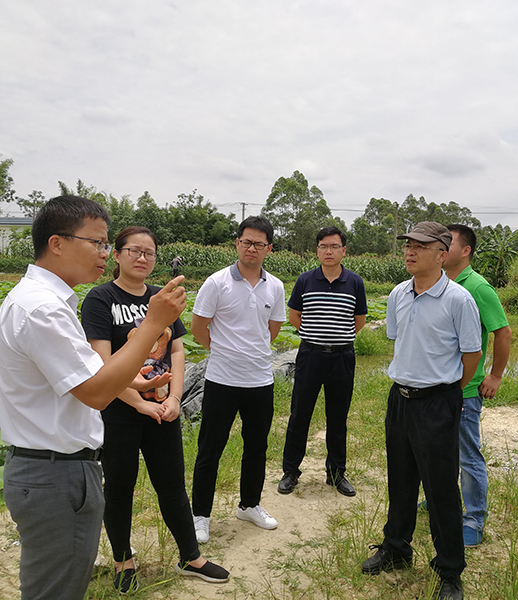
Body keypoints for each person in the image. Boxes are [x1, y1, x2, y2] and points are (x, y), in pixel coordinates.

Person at [0, 196, 186, 600]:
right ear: (57, 243)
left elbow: (97, 378)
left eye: (104, 244)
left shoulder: (48, 302)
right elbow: (98, 391)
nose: (103, 254)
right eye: (97, 243)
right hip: (52, 474)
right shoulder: (42, 309)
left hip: (57, 470)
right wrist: (152, 324)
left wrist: (142, 360)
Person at [81, 227, 230, 593]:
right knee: (120, 486)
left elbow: (177, 350)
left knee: (172, 484)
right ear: (116, 255)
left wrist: (175, 399)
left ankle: (191, 556)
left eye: (149, 252)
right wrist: (140, 403)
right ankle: (123, 561)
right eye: (134, 250)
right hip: (119, 409)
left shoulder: (159, 297)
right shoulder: (101, 299)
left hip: (163, 407)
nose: (142, 258)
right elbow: (102, 366)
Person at [362, 222, 482, 600]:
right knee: (400, 479)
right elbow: (401, 343)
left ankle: (449, 569)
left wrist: (446, 392)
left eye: (420, 246)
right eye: (408, 245)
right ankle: (396, 548)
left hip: (438, 401)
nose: (410, 251)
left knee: (441, 487)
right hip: (400, 398)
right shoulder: (398, 294)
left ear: (442, 255)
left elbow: (472, 355)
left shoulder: (459, 300)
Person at [190, 215, 286, 543]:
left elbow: (271, 331)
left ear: (269, 249)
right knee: (210, 449)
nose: (252, 248)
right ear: (237, 243)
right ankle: (200, 514)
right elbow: (198, 328)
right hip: (222, 380)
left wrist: (251, 352)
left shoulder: (275, 286)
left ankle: (249, 505)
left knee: (256, 447)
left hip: (260, 380)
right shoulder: (217, 283)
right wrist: (226, 352)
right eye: (246, 242)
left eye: (259, 244)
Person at [278, 226, 367, 497]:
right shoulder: (305, 280)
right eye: (323, 246)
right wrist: (315, 335)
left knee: (338, 417)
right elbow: (294, 316)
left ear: (343, 250)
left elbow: (359, 320)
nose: (329, 251)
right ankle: (291, 471)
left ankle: (336, 473)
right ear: (317, 250)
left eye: (334, 246)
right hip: (310, 356)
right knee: (299, 414)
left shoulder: (355, 282)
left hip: (341, 357)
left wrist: (337, 337)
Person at [442, 224, 511, 547]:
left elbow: (502, 331)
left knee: (468, 455)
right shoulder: (439, 282)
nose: (440, 246)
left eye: (448, 242)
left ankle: (474, 518)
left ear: (466, 250)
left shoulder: (478, 287)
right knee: (441, 450)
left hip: (466, 390)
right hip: (437, 387)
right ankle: (444, 500)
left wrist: (495, 375)